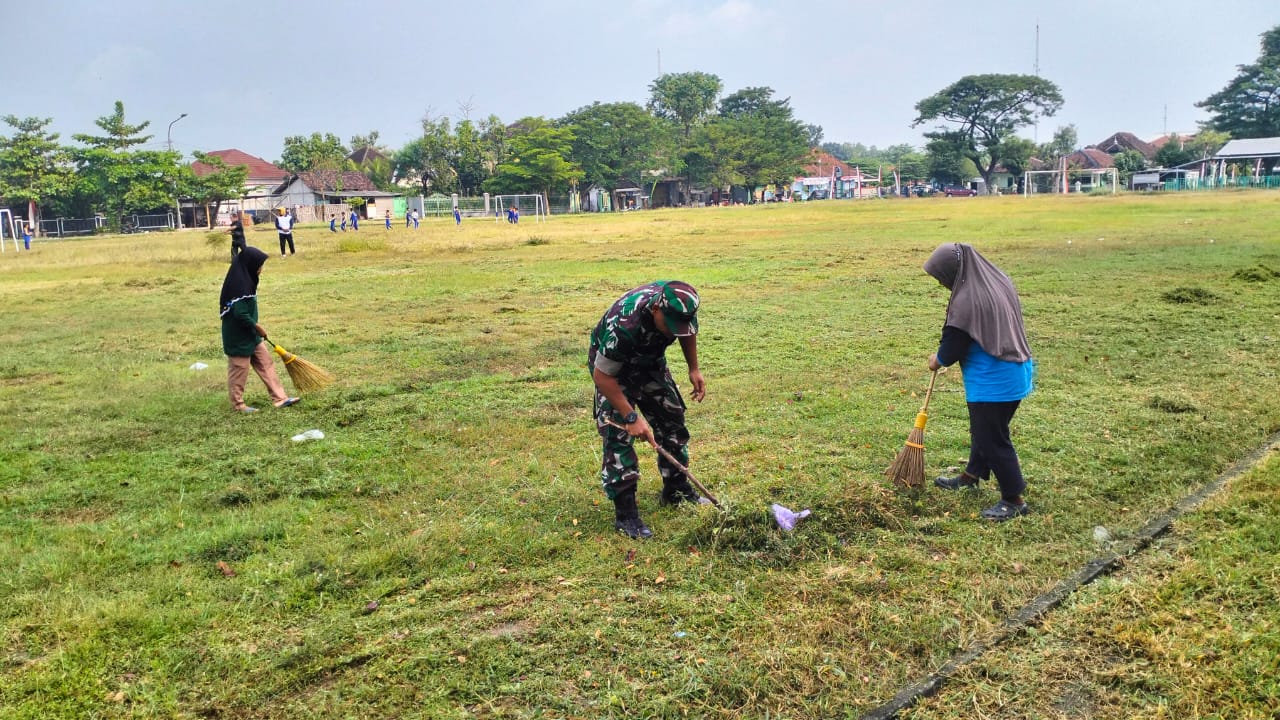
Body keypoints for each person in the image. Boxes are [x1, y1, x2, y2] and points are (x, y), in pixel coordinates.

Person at [924, 243, 1035, 522]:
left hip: (994, 382)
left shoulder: (966, 301)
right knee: (985, 431)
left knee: (992, 438)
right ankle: (970, 476)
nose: (941, 284)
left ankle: (1013, 499)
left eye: (941, 278)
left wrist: (936, 360)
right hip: (1017, 371)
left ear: (954, 272)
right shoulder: (997, 280)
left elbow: (952, 348)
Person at [589, 281, 707, 539]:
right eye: (671, 326)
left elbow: (686, 331)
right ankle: (626, 514)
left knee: (672, 420)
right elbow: (602, 376)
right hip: (613, 372)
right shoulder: (623, 325)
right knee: (618, 435)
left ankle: (676, 491)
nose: (674, 333)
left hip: (650, 364)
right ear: (656, 310)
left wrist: (693, 368)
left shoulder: (679, 303)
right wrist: (631, 417)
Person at [219, 246, 299, 413]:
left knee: (265, 362)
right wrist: (257, 326)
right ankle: (238, 405)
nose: (261, 269)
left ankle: (280, 398)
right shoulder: (239, 285)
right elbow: (240, 314)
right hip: (238, 336)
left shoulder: (247, 280)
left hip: (250, 334)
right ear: (250, 264)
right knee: (239, 370)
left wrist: (254, 329)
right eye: (259, 265)